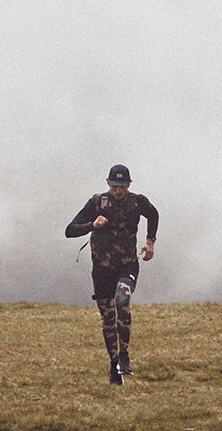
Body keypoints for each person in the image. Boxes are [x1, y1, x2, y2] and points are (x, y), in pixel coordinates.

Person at [65, 163, 158, 385]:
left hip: (127, 264)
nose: (118, 191)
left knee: (122, 298)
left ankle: (124, 354)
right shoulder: (97, 202)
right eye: (115, 186)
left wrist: (150, 242)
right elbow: (70, 230)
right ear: (108, 184)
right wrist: (92, 225)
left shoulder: (137, 202)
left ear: (128, 186)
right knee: (108, 318)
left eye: (123, 186)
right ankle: (114, 364)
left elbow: (153, 215)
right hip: (102, 269)